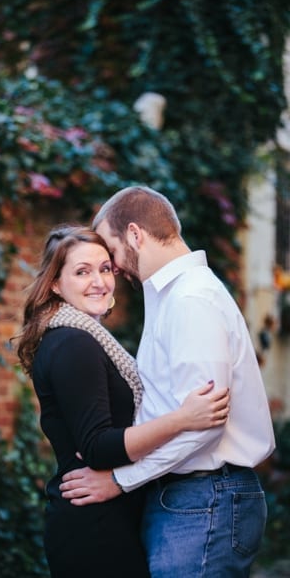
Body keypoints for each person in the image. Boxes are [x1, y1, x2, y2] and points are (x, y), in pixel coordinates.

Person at [60, 186, 276, 577]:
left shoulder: (191, 299)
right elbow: (169, 409)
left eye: (111, 250)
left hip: (205, 499)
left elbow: (204, 426)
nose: (113, 267)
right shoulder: (172, 296)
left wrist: (120, 480)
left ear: (135, 234)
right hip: (189, 498)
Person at [16, 224, 231, 577]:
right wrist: (182, 419)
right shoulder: (73, 343)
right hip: (94, 528)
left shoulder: (84, 337)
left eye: (104, 268)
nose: (99, 281)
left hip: (109, 517)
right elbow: (99, 447)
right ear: (55, 284)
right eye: (82, 272)